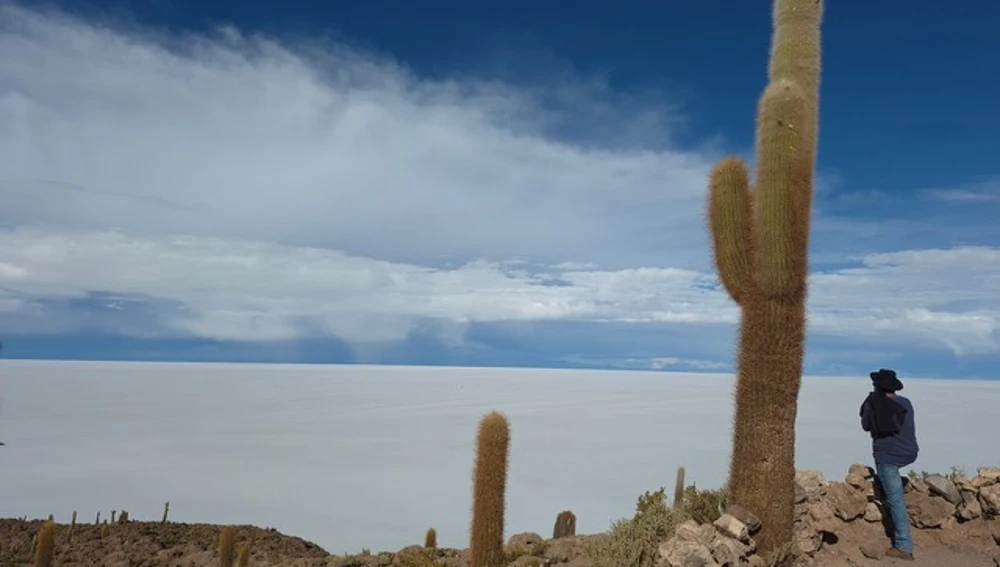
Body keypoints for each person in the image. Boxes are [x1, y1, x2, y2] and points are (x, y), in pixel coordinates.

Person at [860, 368, 919, 561]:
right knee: (892, 488)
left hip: (887, 455)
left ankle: (903, 546)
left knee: (895, 498)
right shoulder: (906, 403)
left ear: (876, 386)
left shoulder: (873, 402)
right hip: (910, 452)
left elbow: (866, 425)